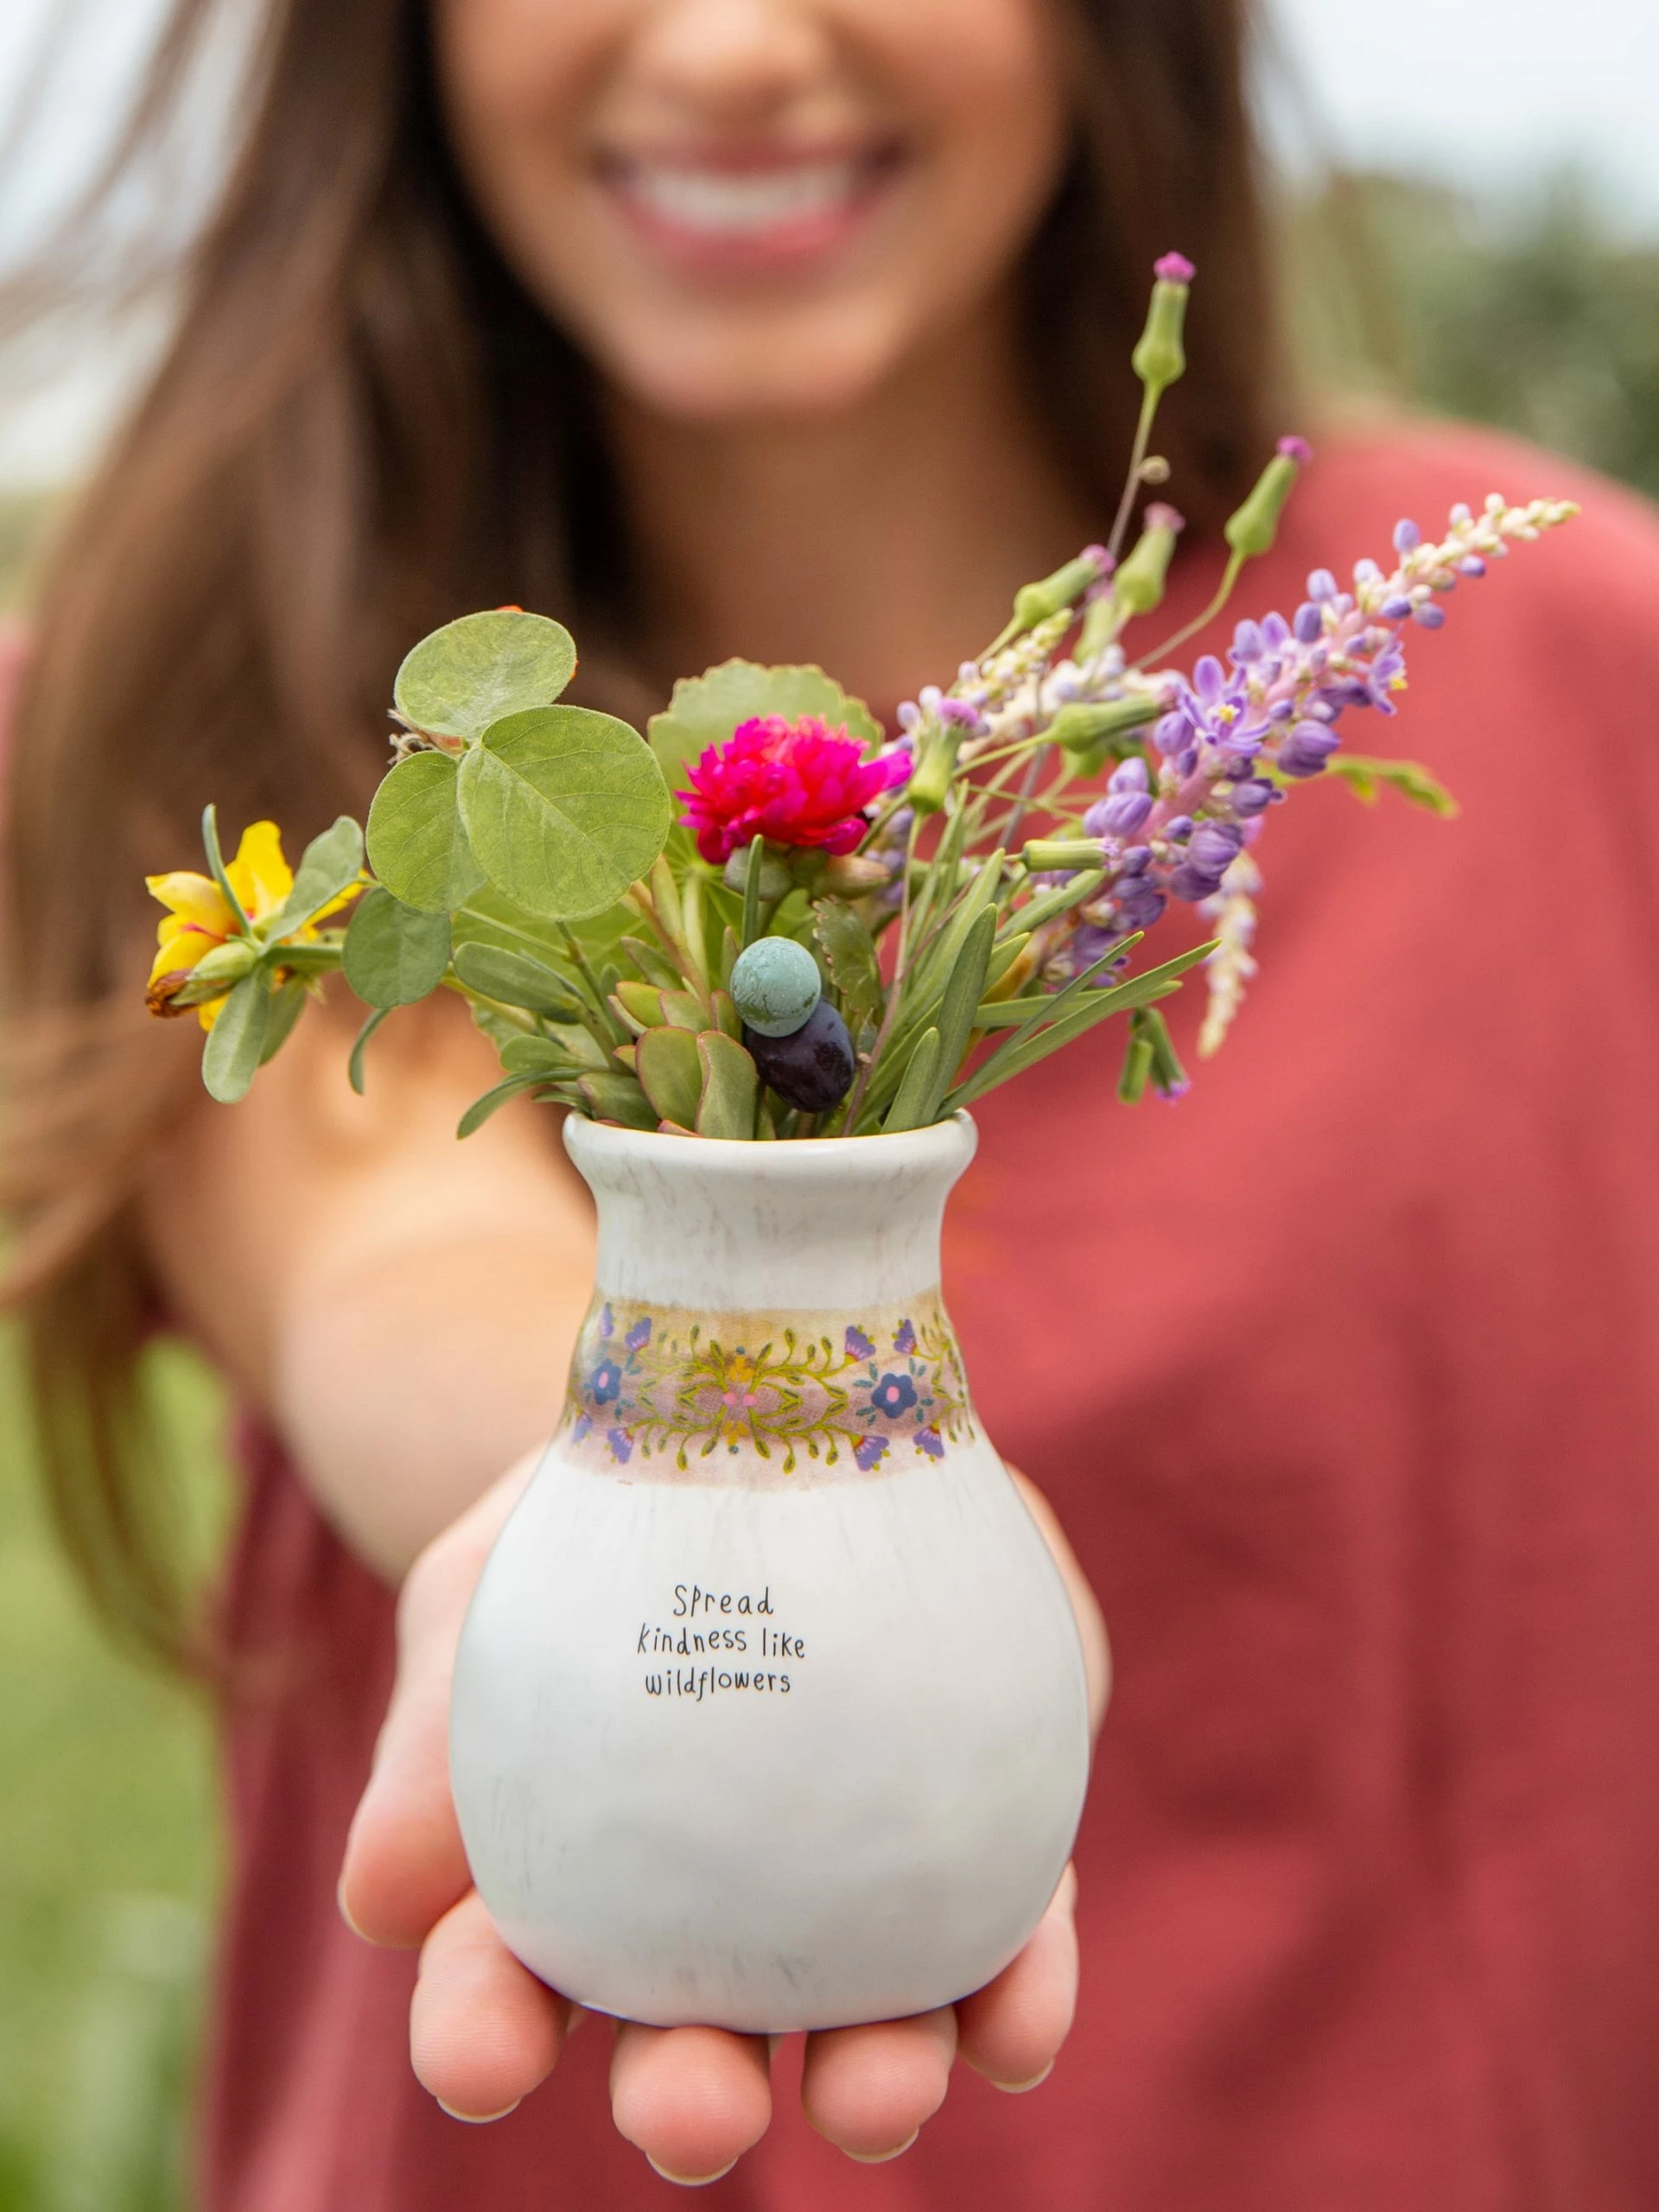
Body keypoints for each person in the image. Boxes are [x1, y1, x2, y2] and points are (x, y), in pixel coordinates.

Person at [4, 2, 1659, 2207]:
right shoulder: (214, 689)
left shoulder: (1562, 657)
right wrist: (614, 1524)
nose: (732, 48)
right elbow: (395, 1240)